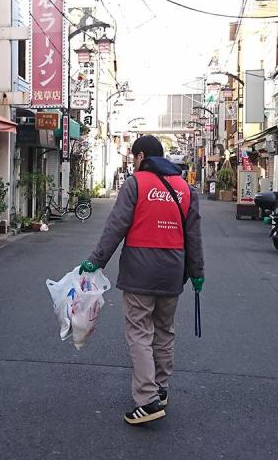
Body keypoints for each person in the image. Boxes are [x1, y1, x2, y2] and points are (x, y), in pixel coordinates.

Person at [80, 135, 204, 425]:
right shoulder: (186, 189)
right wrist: (197, 274)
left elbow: (116, 226)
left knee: (139, 332)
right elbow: (194, 238)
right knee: (164, 330)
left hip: (140, 270)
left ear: (140, 157)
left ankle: (147, 400)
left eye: (134, 158)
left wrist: (95, 261)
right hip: (173, 270)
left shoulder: (136, 184)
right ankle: (160, 388)